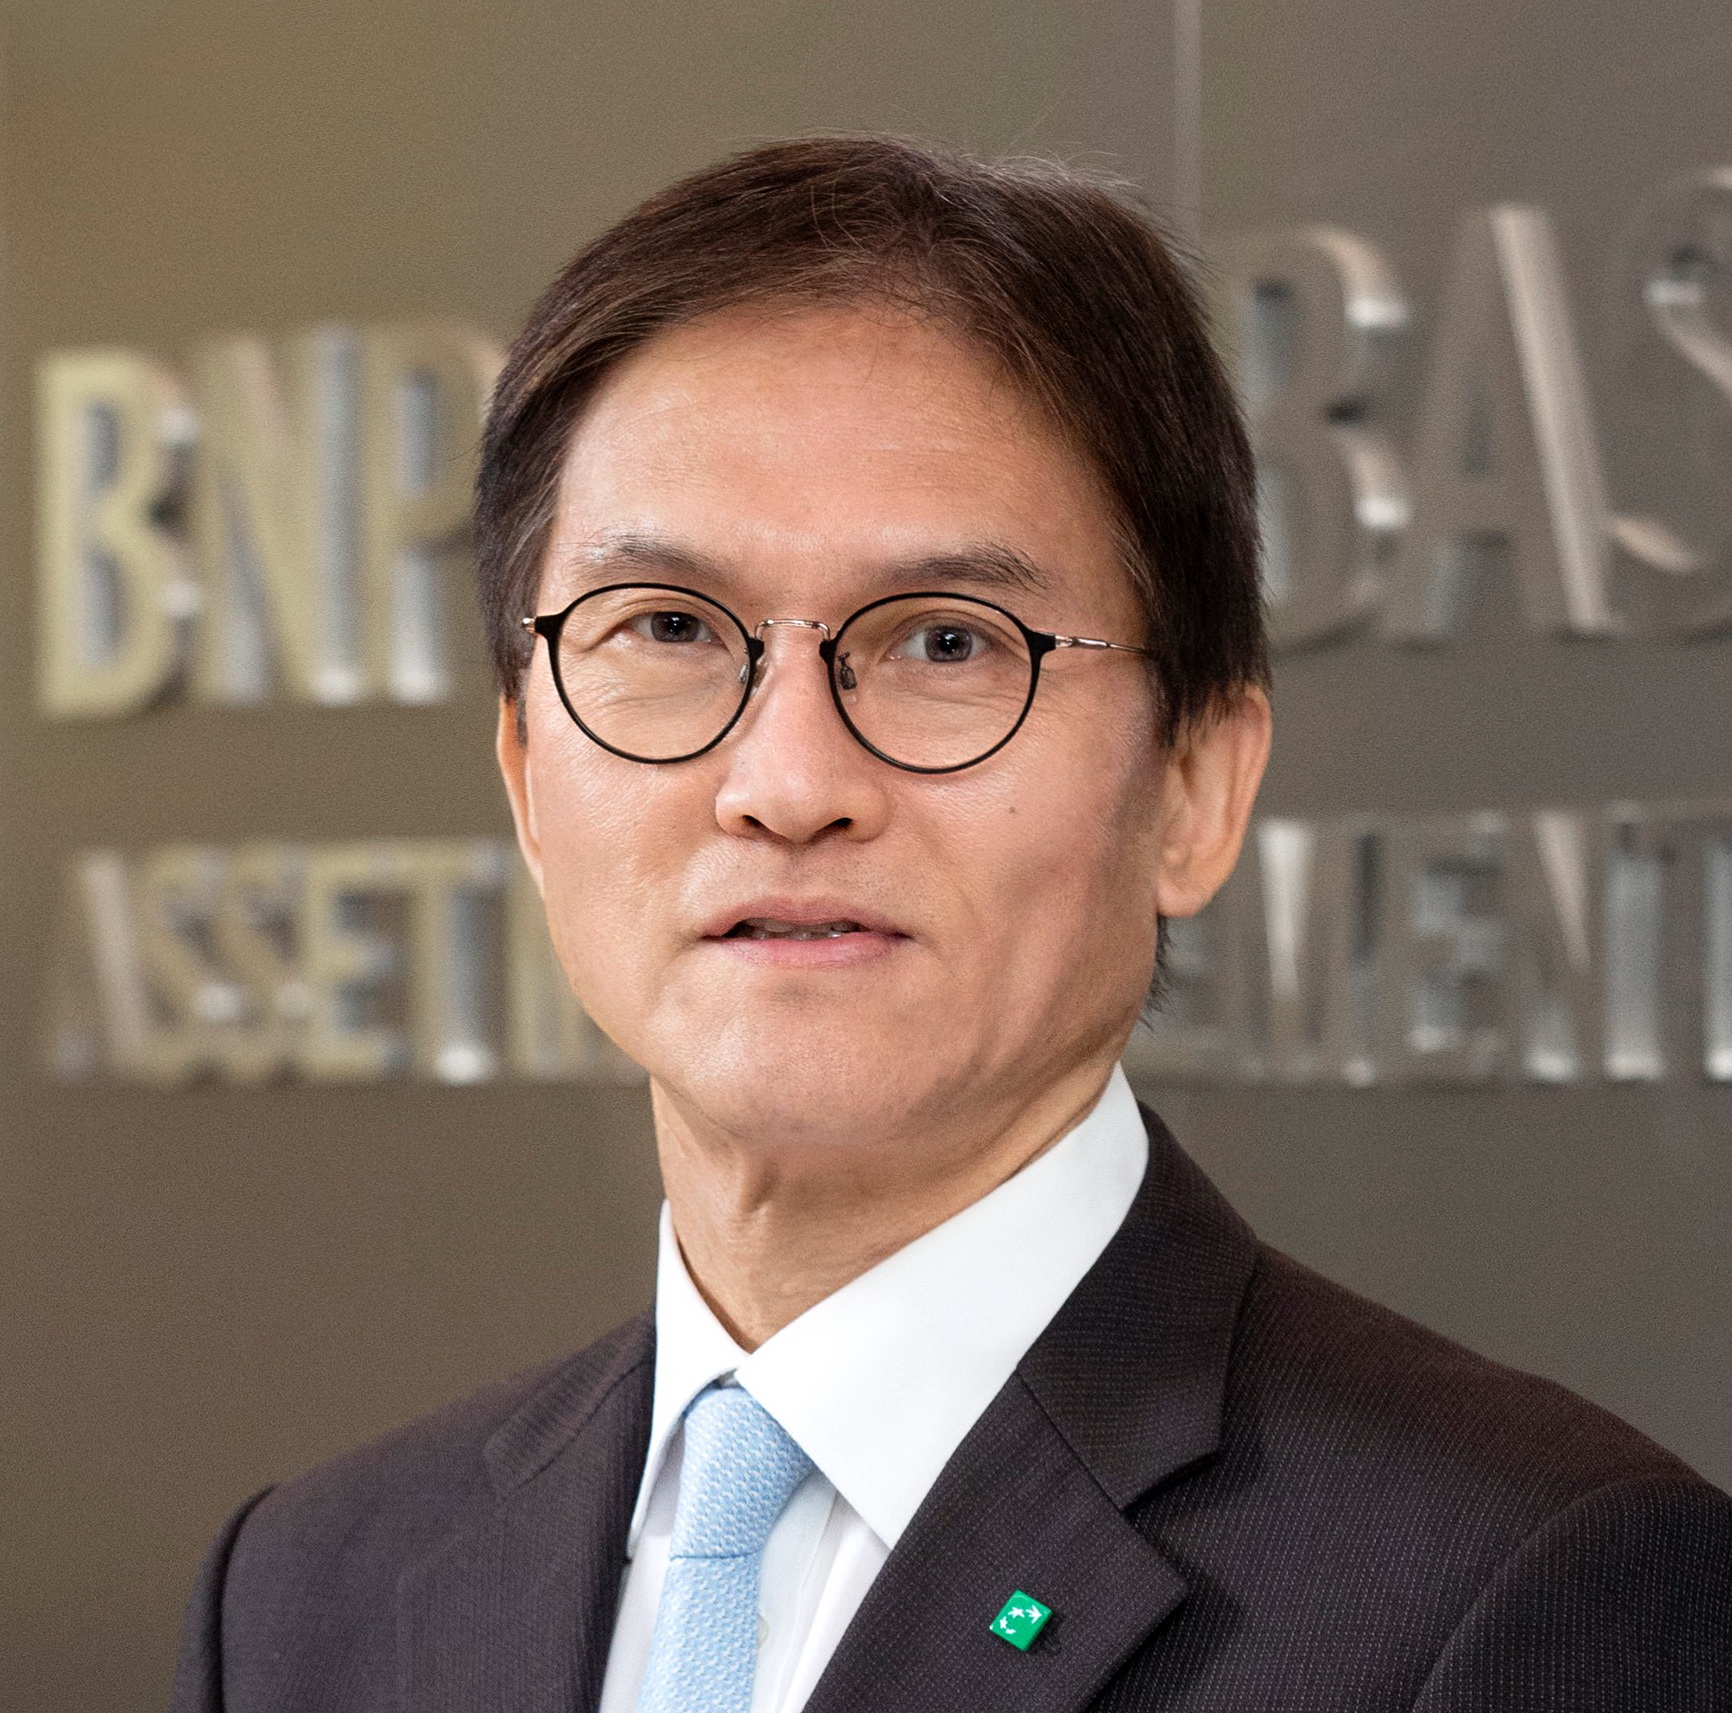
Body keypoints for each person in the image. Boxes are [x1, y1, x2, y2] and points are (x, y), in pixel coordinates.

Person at [171, 135, 1731, 1713]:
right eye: (670, 626)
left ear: (1195, 783)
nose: (787, 784)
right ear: (524, 770)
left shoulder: (1527, 1592)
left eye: (944, 642)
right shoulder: (309, 1593)